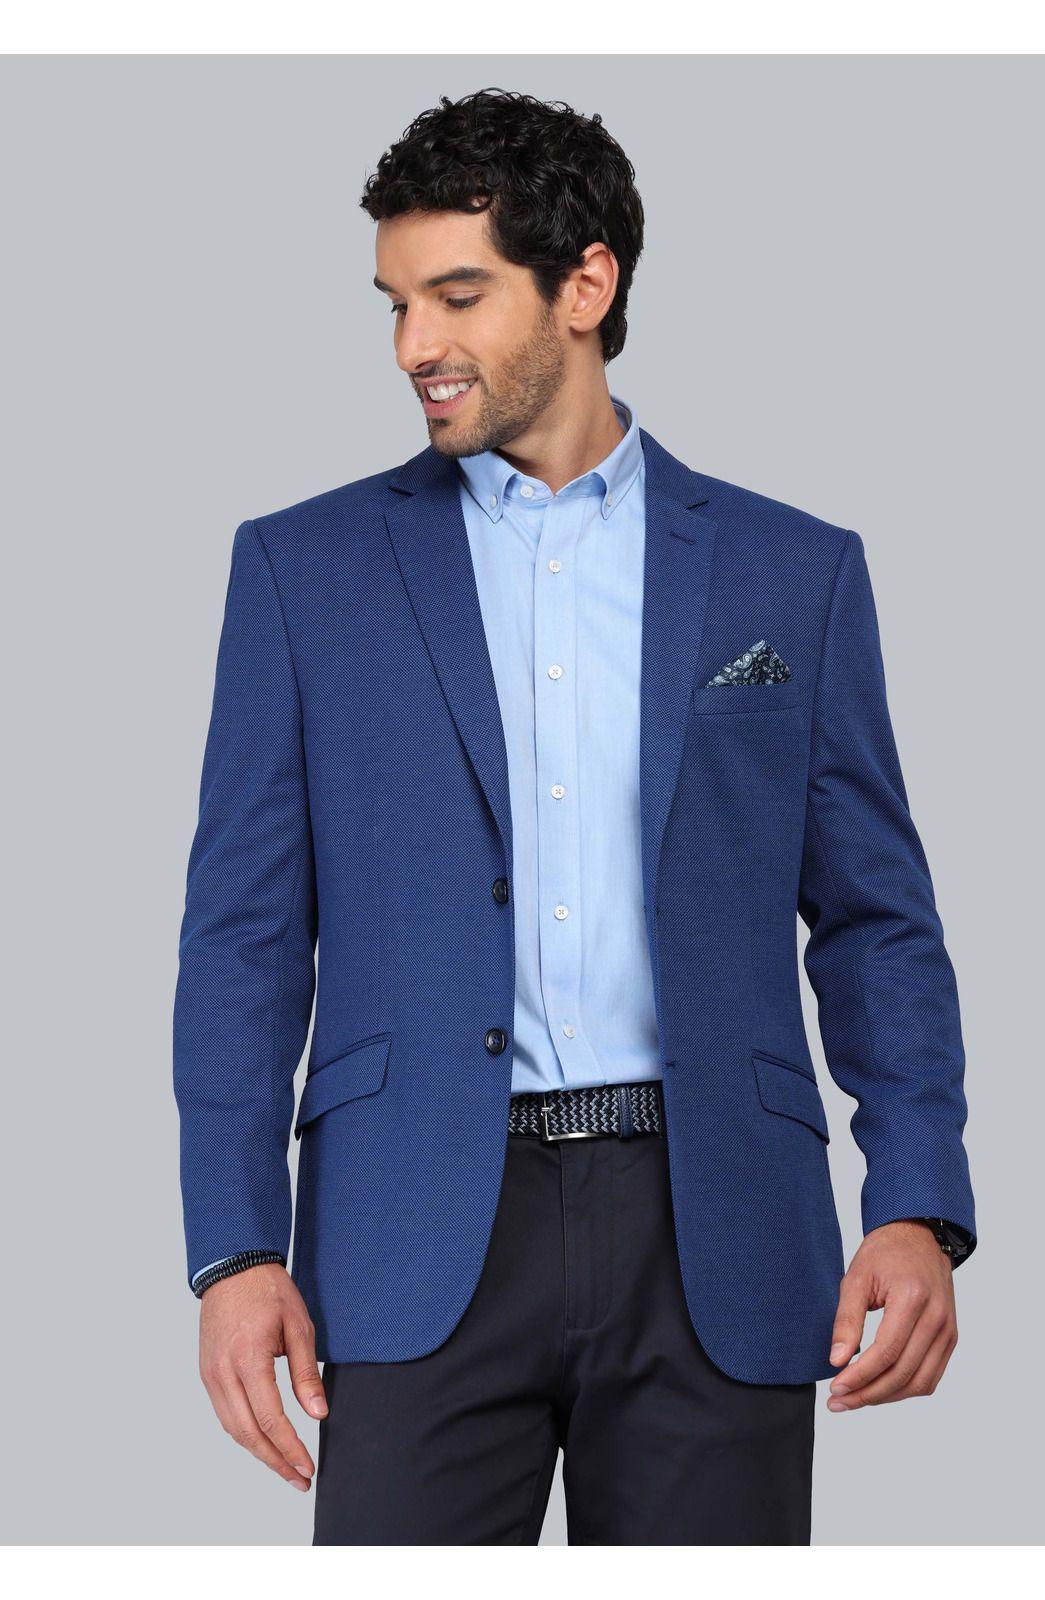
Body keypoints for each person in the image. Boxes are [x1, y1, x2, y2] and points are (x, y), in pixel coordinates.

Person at [173, 87, 976, 1546]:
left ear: (586, 285)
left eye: (458, 295)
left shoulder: (790, 573)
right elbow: (242, 937)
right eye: (396, 304)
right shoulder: (305, 573)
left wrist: (915, 1201)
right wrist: (234, 1250)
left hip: (714, 1229)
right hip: (412, 1231)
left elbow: (877, 920)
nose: (414, 346)